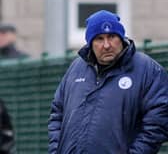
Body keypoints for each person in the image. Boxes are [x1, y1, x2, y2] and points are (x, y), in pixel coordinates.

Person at [48, 10, 168, 154]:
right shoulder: (76, 68)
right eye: (99, 38)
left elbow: (158, 122)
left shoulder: (148, 69)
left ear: (121, 38)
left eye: (112, 36)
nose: (106, 45)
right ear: (90, 43)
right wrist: (56, 150)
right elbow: (57, 113)